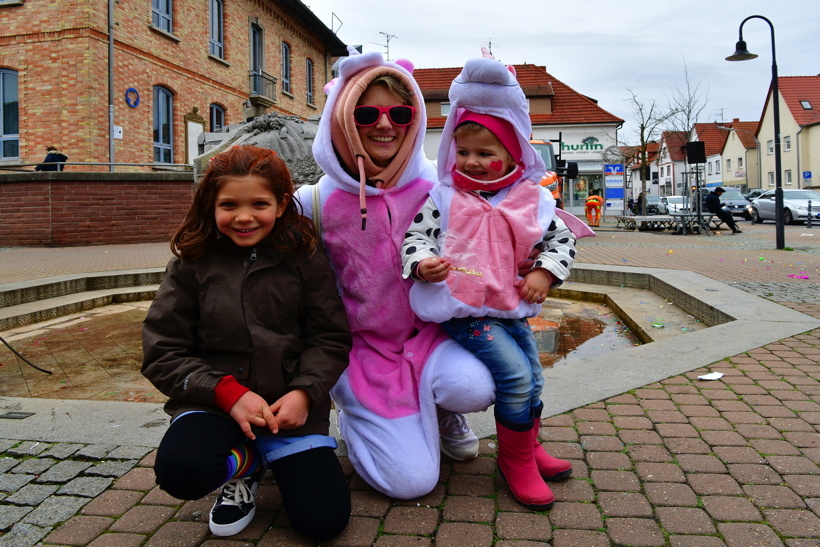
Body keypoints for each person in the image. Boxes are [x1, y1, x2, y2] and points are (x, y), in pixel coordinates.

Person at [296, 47, 578, 500]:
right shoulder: (314, 201)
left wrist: (538, 264)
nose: (385, 124)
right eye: (366, 113)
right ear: (342, 118)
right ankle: (360, 418)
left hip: (437, 334)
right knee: (411, 484)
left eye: (400, 112)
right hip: (368, 354)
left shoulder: (443, 184)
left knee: (489, 381)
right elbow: (255, 228)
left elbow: (529, 224)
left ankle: (453, 417)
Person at [142, 145, 353, 540]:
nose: (243, 217)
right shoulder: (191, 263)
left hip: (288, 409)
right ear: (210, 204)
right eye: (229, 205)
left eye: (259, 203)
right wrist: (226, 392)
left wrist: (305, 393)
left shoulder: (305, 257)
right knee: (182, 472)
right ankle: (246, 464)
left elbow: (330, 338)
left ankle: (270, 454)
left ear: (281, 203)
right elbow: (162, 351)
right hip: (215, 404)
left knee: (323, 521)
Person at [399, 52, 580, 510]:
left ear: (512, 152)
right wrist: (423, 263)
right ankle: (514, 461)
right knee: (515, 377)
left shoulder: (532, 199)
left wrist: (544, 271)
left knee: (535, 379)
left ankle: (528, 447)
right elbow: (416, 236)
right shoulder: (443, 196)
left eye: (485, 153)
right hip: (464, 311)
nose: (473, 162)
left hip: (508, 308)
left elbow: (561, 240)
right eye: (464, 153)